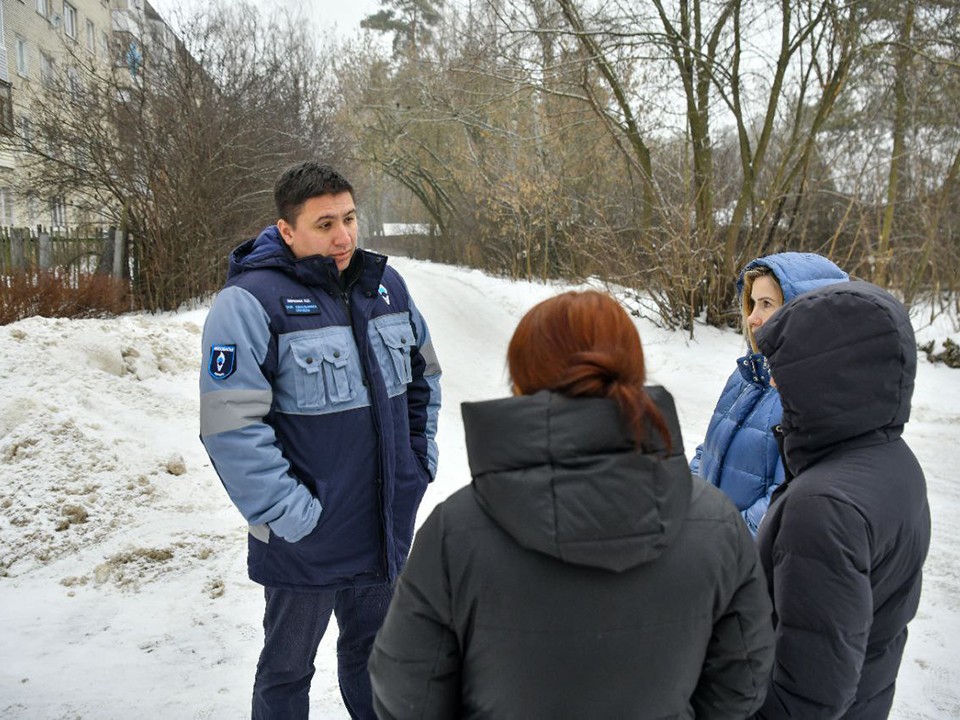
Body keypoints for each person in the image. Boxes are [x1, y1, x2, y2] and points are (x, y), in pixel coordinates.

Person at [368, 290, 774, 719]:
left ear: (522, 376)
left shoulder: (456, 531)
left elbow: (407, 691)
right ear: (632, 369)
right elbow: (743, 679)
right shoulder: (716, 523)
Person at [198, 161, 441, 719]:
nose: (343, 236)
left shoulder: (385, 286)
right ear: (287, 231)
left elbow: (424, 377)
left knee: (378, 658)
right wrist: (290, 514)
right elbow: (229, 424)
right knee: (286, 673)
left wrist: (416, 466)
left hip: (381, 521)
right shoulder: (251, 300)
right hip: (305, 536)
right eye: (325, 223)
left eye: (350, 218)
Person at [752, 281, 930, 719]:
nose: (774, 378)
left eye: (786, 366)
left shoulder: (824, 507)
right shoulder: (890, 460)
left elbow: (806, 699)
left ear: (828, 372)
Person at [690, 252, 848, 535]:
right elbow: (708, 453)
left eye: (766, 304)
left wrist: (716, 542)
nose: (752, 317)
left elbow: (783, 501)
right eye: (751, 303)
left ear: (802, 314)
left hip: (745, 565)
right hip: (709, 555)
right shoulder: (746, 376)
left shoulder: (815, 397)